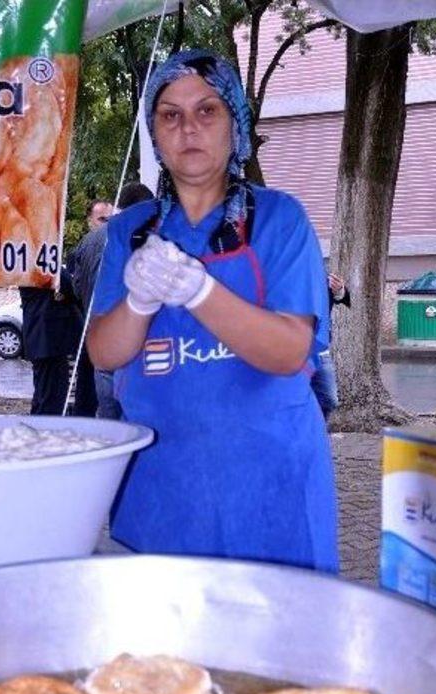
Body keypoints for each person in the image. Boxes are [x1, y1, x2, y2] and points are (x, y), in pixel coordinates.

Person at [87, 49, 338, 573]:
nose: (189, 128)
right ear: (154, 134)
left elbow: (291, 350)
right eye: (170, 115)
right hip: (161, 490)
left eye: (207, 111)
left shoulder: (279, 221)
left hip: (272, 492)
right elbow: (105, 353)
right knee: (165, 650)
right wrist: (138, 300)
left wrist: (198, 290)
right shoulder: (130, 231)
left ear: (235, 125)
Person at [71, 182, 155, 419]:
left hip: (101, 341)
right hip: (137, 343)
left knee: (109, 418)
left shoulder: (89, 241)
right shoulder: (150, 236)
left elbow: (78, 287)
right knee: (140, 419)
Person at [19, 269, 96, 416]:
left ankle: (37, 428)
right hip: (50, 340)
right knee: (52, 395)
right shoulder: (43, 262)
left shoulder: (27, 265)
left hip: (42, 339)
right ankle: (46, 430)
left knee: (43, 393)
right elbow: (70, 286)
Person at [311, 272, 350, 420]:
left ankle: (317, 433)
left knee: (329, 399)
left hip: (320, 353)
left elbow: (346, 299)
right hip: (292, 354)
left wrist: (339, 290)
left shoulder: (321, 276)